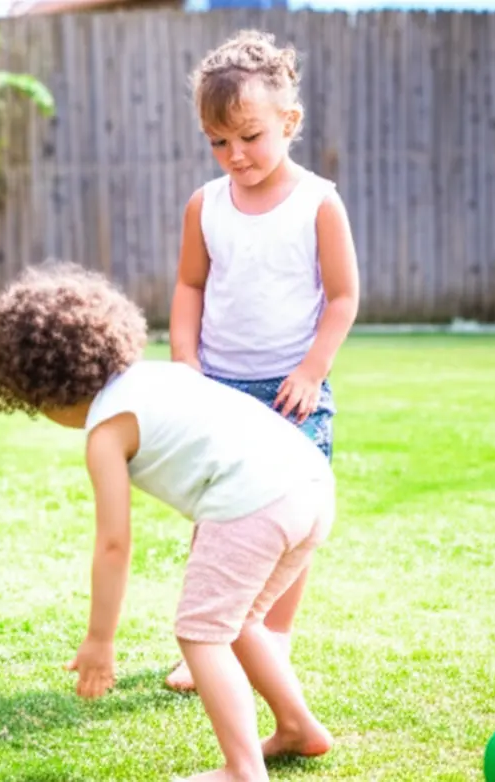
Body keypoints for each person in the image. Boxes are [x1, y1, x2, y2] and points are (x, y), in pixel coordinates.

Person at [0, 263, 335, 781]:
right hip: (310, 481)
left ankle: (242, 771)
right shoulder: (159, 374)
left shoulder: (105, 433)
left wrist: (99, 639)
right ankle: (299, 727)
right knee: (241, 622)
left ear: (42, 394)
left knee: (201, 632)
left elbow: (114, 545)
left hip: (257, 500)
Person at [167, 29, 360, 691]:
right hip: (218, 388)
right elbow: (190, 285)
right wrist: (186, 361)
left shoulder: (318, 203)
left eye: (248, 136)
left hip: (290, 392)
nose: (234, 155)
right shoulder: (206, 205)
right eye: (217, 141)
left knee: (286, 521)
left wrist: (310, 372)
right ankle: (210, 638)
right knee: (217, 517)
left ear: (289, 121)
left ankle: (272, 638)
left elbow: (342, 297)